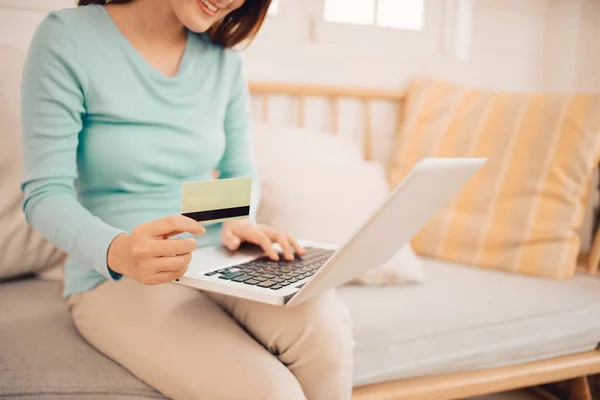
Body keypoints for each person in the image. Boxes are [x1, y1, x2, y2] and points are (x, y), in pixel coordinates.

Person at [20, 0, 355, 398]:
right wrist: (120, 251)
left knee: (326, 330)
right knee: (270, 392)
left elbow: (238, 169)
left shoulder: (222, 59)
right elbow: (45, 193)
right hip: (114, 275)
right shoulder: (67, 37)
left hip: (217, 259)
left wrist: (237, 220)